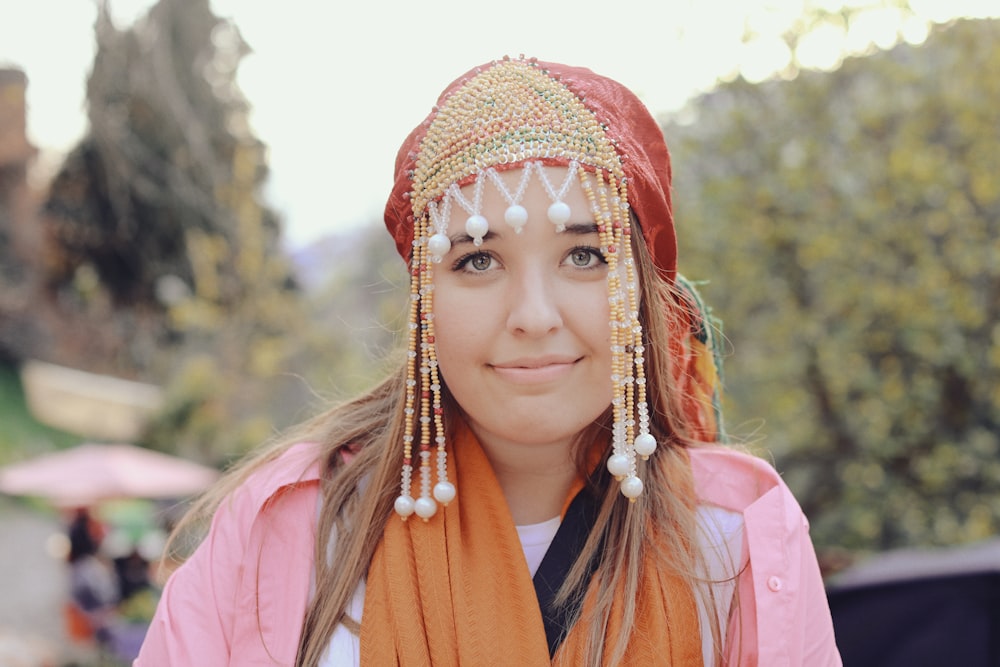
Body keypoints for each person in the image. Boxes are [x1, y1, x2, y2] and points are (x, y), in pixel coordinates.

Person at [135, 56, 841, 666]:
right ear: (423, 303)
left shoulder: (739, 537)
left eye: (585, 256)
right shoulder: (293, 526)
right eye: (477, 259)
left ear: (643, 294)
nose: (533, 313)